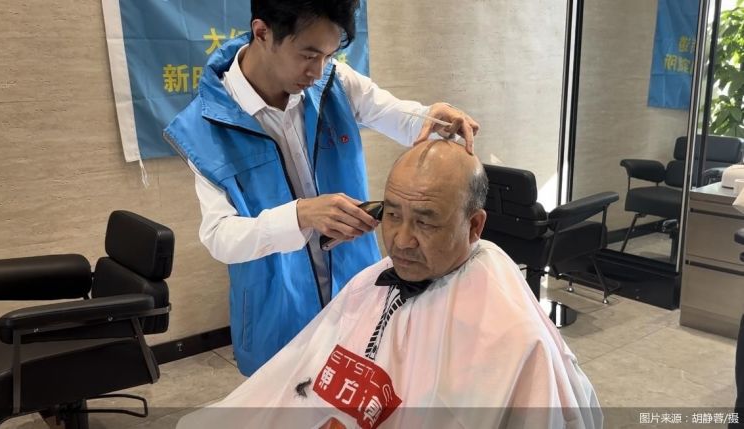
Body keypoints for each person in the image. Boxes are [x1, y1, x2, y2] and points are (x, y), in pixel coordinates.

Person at [176, 140, 603, 429]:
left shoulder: (516, 338)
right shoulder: (374, 281)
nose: (400, 241)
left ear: (474, 226)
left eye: (425, 222)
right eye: (393, 215)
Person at [163, 0, 480, 376]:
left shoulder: (334, 82)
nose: (317, 71)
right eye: (308, 55)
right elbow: (220, 237)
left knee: (359, 385)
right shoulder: (204, 126)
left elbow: (395, 114)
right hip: (277, 308)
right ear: (262, 32)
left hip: (354, 287)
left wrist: (432, 118)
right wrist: (300, 216)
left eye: (329, 56)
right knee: (287, 396)